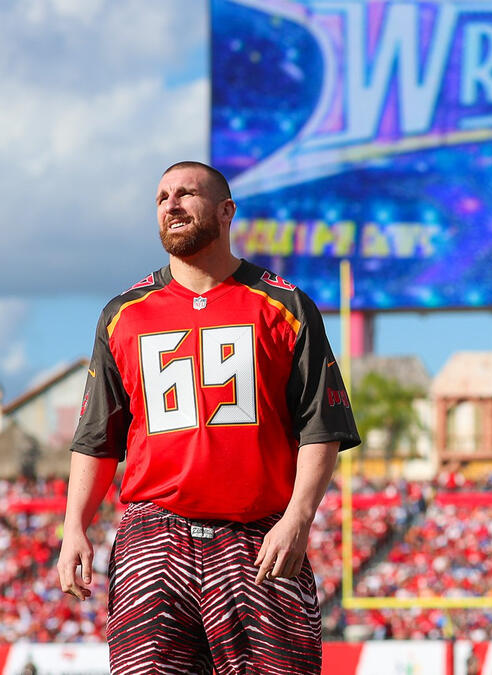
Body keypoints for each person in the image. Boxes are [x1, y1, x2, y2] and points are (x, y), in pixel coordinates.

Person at [57, 161, 360, 674]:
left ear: (225, 212)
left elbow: (321, 429)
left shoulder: (284, 305)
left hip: (258, 535)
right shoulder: (123, 314)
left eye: (186, 194)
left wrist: (298, 520)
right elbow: (97, 439)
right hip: (152, 537)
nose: (171, 204)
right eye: (161, 198)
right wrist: (74, 528)